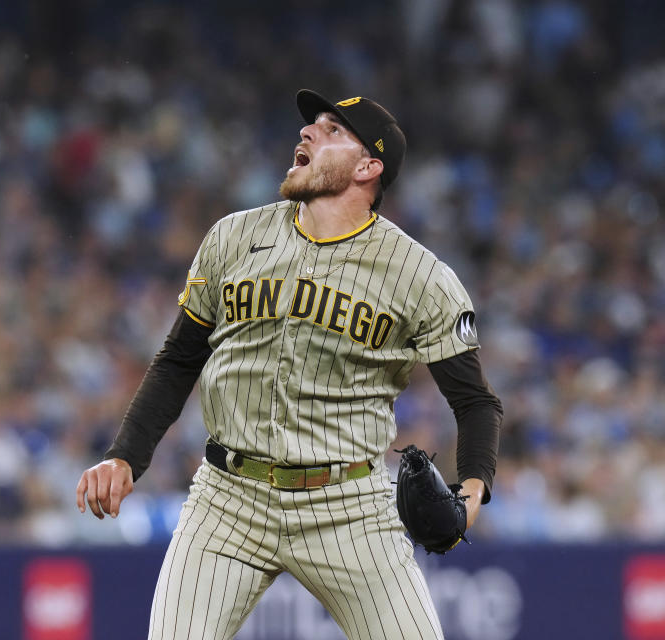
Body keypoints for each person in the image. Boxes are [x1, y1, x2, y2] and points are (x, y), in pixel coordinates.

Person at [76, 90, 503, 639]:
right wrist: (124, 457)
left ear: (367, 167)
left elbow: (474, 403)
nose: (307, 133)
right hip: (229, 499)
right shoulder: (234, 236)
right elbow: (179, 359)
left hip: (348, 505)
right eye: (311, 125)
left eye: (332, 130)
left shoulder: (420, 276)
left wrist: (467, 501)